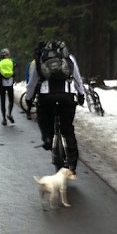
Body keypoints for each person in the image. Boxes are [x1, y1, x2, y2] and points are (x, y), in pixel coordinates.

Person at [25, 40, 86, 172]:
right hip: (67, 96)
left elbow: (32, 84)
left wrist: (28, 99)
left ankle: (48, 138)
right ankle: (72, 163)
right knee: (68, 129)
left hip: (46, 97)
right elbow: (77, 79)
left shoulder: (39, 60)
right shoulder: (69, 58)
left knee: (44, 118)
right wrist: (81, 94)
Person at [0, 48, 16, 125]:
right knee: (11, 99)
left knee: (2, 101)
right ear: (8, 54)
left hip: (2, 84)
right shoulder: (12, 61)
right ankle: (9, 113)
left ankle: (4, 119)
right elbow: (14, 70)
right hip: (10, 83)